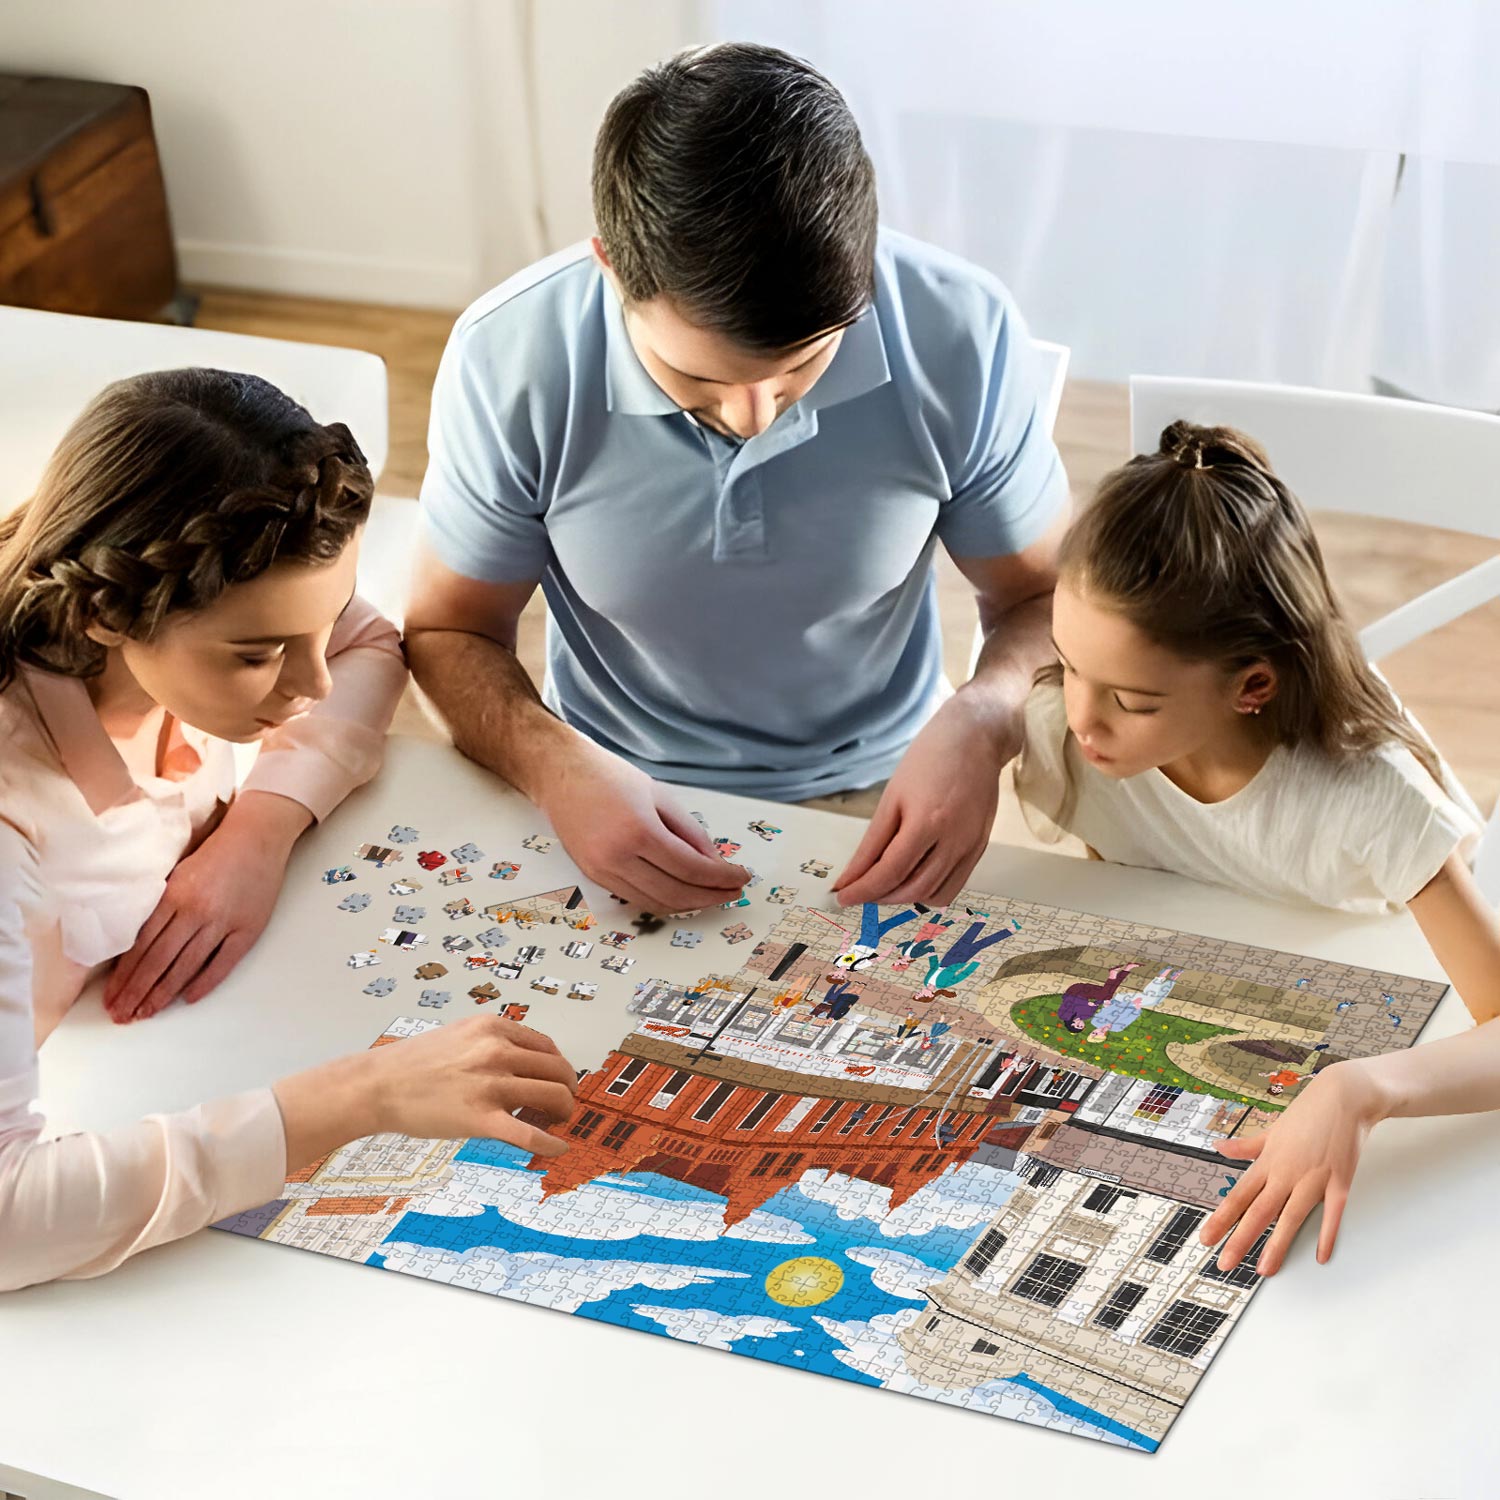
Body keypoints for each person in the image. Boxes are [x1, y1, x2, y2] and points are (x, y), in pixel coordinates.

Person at [403, 42, 1067, 917]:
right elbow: (451, 632)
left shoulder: (959, 331)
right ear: (611, 266)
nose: (758, 418)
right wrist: (551, 763)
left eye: (802, 369)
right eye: (702, 382)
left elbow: (1047, 601)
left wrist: (986, 721)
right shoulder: (509, 360)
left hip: (889, 785)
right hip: (600, 783)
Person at [0, 370, 578, 1292]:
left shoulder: (165, 593)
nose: (307, 687)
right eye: (258, 654)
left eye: (310, 627)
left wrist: (258, 830)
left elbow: (364, 643)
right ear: (105, 613)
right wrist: (363, 1095)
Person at [1011, 420, 1500, 1276]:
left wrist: (1361, 1087)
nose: (1081, 718)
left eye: (1130, 698)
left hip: (1420, 1019)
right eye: (1067, 664)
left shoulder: (1374, 797)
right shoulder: (1073, 737)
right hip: (1249, 989)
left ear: (1254, 685)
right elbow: (1138, 900)